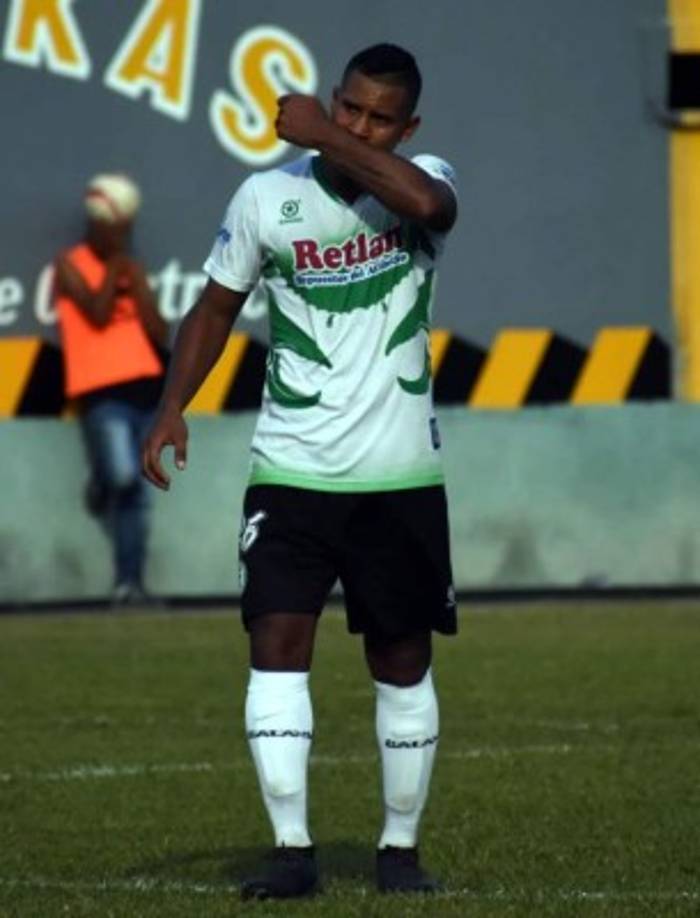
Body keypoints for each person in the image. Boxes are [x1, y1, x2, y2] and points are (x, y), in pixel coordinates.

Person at [142, 43, 458, 898]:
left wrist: (322, 134)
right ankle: (291, 852)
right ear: (335, 99)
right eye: (347, 109)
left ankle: (399, 855)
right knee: (275, 646)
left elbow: (429, 203)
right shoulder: (266, 198)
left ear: (409, 127)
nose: (360, 126)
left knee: (401, 658)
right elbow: (216, 304)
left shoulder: (423, 181)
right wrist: (173, 405)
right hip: (289, 471)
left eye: (378, 118)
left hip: (399, 480)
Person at [54, 173, 167, 605]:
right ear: (97, 226)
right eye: (113, 230)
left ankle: (130, 583)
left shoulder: (131, 268)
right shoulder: (71, 263)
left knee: (136, 490)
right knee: (121, 476)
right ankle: (101, 481)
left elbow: (160, 333)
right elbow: (98, 315)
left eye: (124, 231)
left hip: (144, 388)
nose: (120, 238)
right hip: (102, 392)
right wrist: (115, 272)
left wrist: (137, 285)